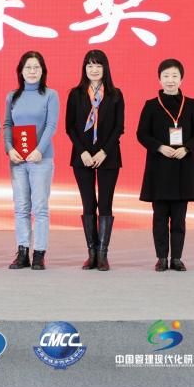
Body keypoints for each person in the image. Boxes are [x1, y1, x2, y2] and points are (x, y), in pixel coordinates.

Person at [137, 58, 194, 272]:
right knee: (159, 218)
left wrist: (187, 148)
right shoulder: (151, 105)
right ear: (159, 79)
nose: (170, 80)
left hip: (183, 167)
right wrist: (159, 147)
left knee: (178, 218)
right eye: (166, 76)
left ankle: (176, 258)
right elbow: (141, 134)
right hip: (159, 168)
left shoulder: (191, 104)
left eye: (174, 76)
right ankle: (161, 258)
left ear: (181, 79)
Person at [64, 49, 124, 271]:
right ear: (84, 69)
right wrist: (83, 152)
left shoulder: (116, 94)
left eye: (98, 65)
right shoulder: (76, 94)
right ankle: (91, 253)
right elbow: (70, 127)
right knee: (88, 203)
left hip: (108, 156)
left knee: (105, 203)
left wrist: (103, 152)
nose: (94, 69)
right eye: (90, 65)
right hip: (83, 156)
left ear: (105, 68)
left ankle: (102, 255)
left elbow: (119, 128)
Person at [3, 51, 59, 271]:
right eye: (28, 67)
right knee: (21, 207)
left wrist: (39, 150)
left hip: (41, 159)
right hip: (18, 160)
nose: (32, 71)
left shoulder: (50, 95)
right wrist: (9, 149)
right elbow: (8, 124)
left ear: (43, 71)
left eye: (36, 67)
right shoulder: (12, 96)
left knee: (40, 207)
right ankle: (23, 251)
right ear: (21, 71)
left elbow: (51, 125)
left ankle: (39, 253)